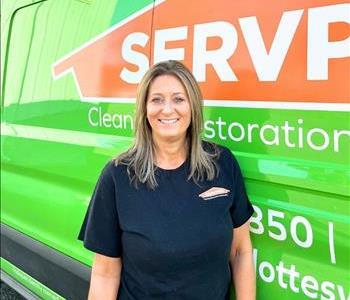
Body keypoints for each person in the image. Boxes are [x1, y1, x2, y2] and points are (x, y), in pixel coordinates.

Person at [78, 60, 256, 300]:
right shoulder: (117, 176)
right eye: (157, 99)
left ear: (193, 106)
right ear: (144, 109)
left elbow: (240, 251)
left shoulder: (222, 163)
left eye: (178, 99)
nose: (168, 109)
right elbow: (105, 275)